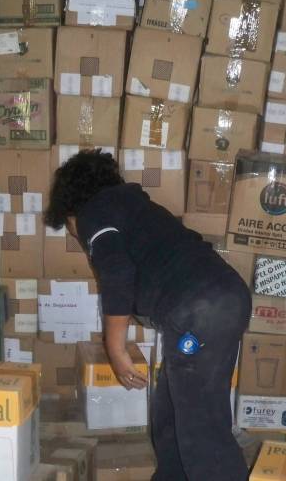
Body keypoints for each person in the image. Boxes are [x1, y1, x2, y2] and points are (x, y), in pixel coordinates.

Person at [44, 149, 251, 481]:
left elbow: (116, 273)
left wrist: (115, 348)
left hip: (200, 309)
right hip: (222, 299)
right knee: (171, 412)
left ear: (71, 209)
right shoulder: (134, 208)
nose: (76, 235)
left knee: (202, 428)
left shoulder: (94, 212)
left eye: (70, 228)